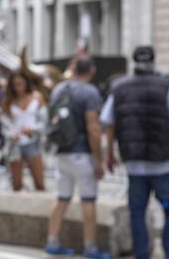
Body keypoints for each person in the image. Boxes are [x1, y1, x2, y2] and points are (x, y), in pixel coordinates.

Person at [101, 46, 169, 259]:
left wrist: (109, 153)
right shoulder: (166, 87)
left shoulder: (119, 87)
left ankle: (141, 253)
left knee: (137, 211)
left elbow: (110, 124)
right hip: (163, 163)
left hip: (135, 163)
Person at [45, 55, 109, 259]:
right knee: (88, 200)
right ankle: (91, 248)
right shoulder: (89, 92)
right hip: (82, 153)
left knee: (62, 198)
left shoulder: (58, 89)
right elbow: (93, 128)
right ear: (91, 70)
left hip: (61, 152)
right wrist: (98, 160)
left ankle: (52, 241)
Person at [0, 70, 46, 191]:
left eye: (20, 83)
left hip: (33, 142)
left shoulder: (37, 97)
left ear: (26, 83)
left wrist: (33, 129)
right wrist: (11, 134)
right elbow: (4, 125)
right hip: (15, 144)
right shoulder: (8, 101)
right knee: (16, 184)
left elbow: (45, 121)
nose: (18, 86)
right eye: (15, 84)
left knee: (39, 183)